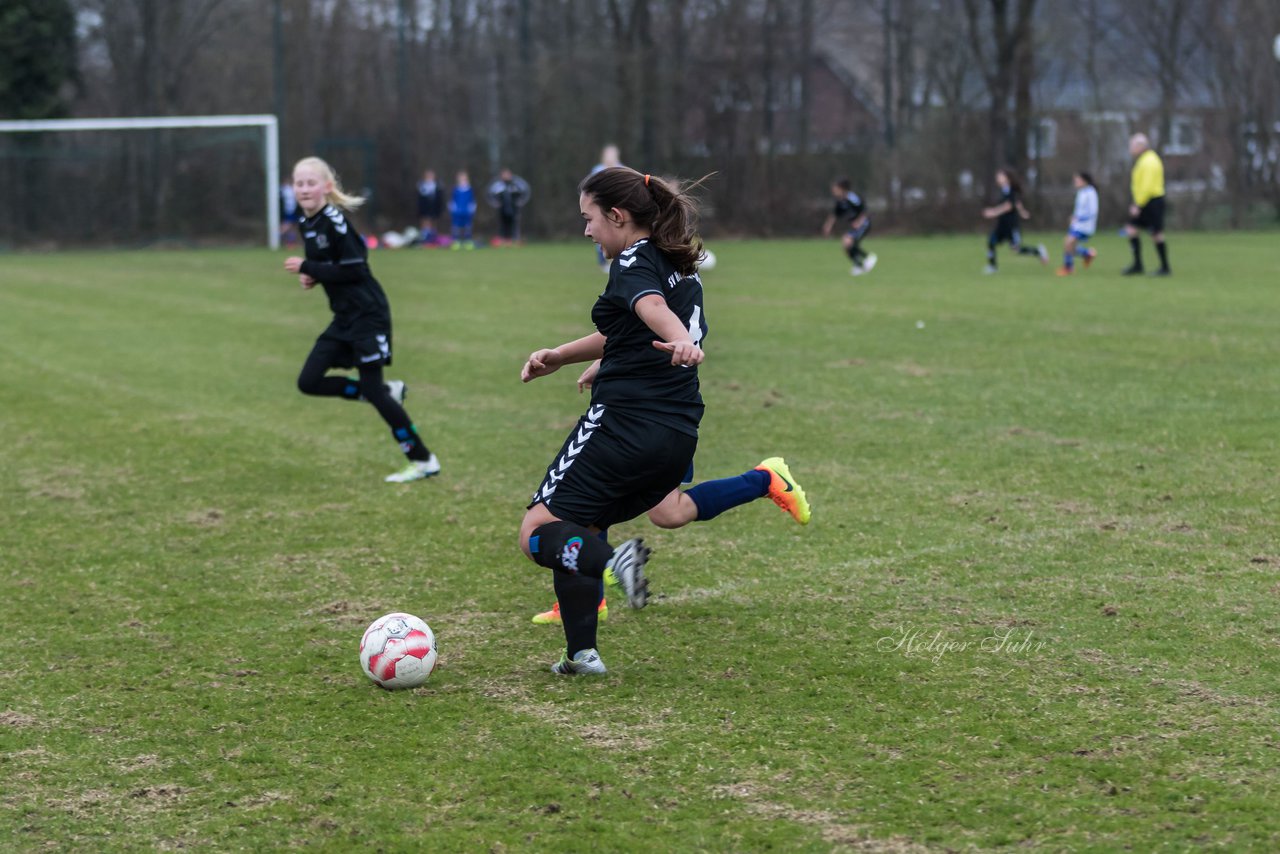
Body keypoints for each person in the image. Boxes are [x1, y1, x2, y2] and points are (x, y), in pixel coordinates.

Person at [518, 166, 811, 675]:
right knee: (594, 522)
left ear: (617, 215)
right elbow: (636, 327)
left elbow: (652, 309)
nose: (586, 231)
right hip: (676, 433)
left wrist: (679, 339)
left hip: (624, 425)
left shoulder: (633, 260)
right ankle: (581, 654)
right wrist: (563, 356)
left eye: (589, 219)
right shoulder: (676, 261)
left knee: (540, 530)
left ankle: (612, 564)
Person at [283, 156, 440, 483]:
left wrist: (308, 268)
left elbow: (355, 267)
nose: (304, 189)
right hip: (343, 319)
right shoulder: (306, 223)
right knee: (308, 381)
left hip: (368, 316)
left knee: (374, 389)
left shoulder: (335, 221)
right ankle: (383, 391)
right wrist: (312, 277)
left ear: (327, 187)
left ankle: (423, 459)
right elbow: (329, 265)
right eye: (299, 183)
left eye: (311, 182)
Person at [982, 168, 1048, 273]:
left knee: (1016, 249)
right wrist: (1022, 212)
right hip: (1001, 225)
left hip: (1011, 225)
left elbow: (1008, 206)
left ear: (1007, 178)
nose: (998, 178)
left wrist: (993, 212)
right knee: (991, 242)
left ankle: (1038, 251)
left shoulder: (1011, 190)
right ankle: (992, 267)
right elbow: (1017, 203)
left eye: (1000, 176)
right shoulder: (1004, 190)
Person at [1123, 134, 1171, 276]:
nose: (1130, 149)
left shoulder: (1150, 161)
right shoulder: (1144, 160)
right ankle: (1137, 264)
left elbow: (1147, 186)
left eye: (1131, 146)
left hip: (1152, 201)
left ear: (1140, 146)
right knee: (1131, 229)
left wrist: (1138, 204)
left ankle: (1165, 267)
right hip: (1145, 201)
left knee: (1156, 233)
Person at [821, 178, 877, 276]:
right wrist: (828, 226)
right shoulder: (840, 201)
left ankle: (868, 257)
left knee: (849, 241)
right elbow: (834, 214)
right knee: (846, 244)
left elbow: (864, 210)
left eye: (835, 188)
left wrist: (859, 222)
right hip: (855, 225)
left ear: (842, 188)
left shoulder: (852, 198)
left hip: (863, 224)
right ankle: (859, 265)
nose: (833, 191)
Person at [1056, 171, 1099, 277]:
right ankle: (1087, 254)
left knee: (1068, 243)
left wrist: (1079, 218)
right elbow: (1079, 210)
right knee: (1068, 245)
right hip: (1077, 224)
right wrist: (1074, 217)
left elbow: (1092, 211)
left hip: (1085, 225)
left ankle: (1068, 268)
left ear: (1085, 181)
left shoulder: (1091, 192)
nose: (1075, 182)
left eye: (1077, 180)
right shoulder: (1081, 192)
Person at [589, 145, 624, 271]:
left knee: (617, 234)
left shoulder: (622, 170)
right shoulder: (597, 170)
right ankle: (603, 261)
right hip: (601, 207)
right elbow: (592, 189)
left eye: (612, 154)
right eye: (608, 154)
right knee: (601, 233)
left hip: (617, 207)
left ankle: (617, 262)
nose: (610, 157)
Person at [485, 168, 532, 245]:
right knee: (503, 225)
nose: (506, 176)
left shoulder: (517, 184)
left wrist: (520, 202)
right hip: (502, 209)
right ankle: (503, 240)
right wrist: (495, 203)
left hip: (514, 208)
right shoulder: (497, 185)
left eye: (507, 174)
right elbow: (489, 194)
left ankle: (515, 240)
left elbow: (526, 192)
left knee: (514, 224)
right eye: (504, 174)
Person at [449, 170, 476, 250]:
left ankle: (468, 242)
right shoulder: (456, 190)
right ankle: (456, 242)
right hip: (457, 212)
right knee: (456, 227)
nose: (463, 180)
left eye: (464, 179)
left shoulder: (470, 190)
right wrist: (453, 208)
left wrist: (472, 208)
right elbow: (453, 200)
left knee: (467, 226)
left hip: (467, 212)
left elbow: (472, 201)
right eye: (461, 179)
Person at [416, 169, 443, 245]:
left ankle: (433, 239)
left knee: (433, 223)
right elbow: (420, 199)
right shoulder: (421, 186)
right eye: (428, 175)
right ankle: (424, 239)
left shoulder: (437, 186)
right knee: (425, 222)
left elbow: (439, 199)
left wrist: (438, 209)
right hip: (424, 208)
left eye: (431, 175)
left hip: (434, 208)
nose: (429, 177)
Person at [279, 180, 300, 246]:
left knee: (293, 227)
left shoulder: (292, 189)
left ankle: (291, 243)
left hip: (294, 211)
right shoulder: (285, 190)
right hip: (288, 211)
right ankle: (277, 236)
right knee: (287, 225)